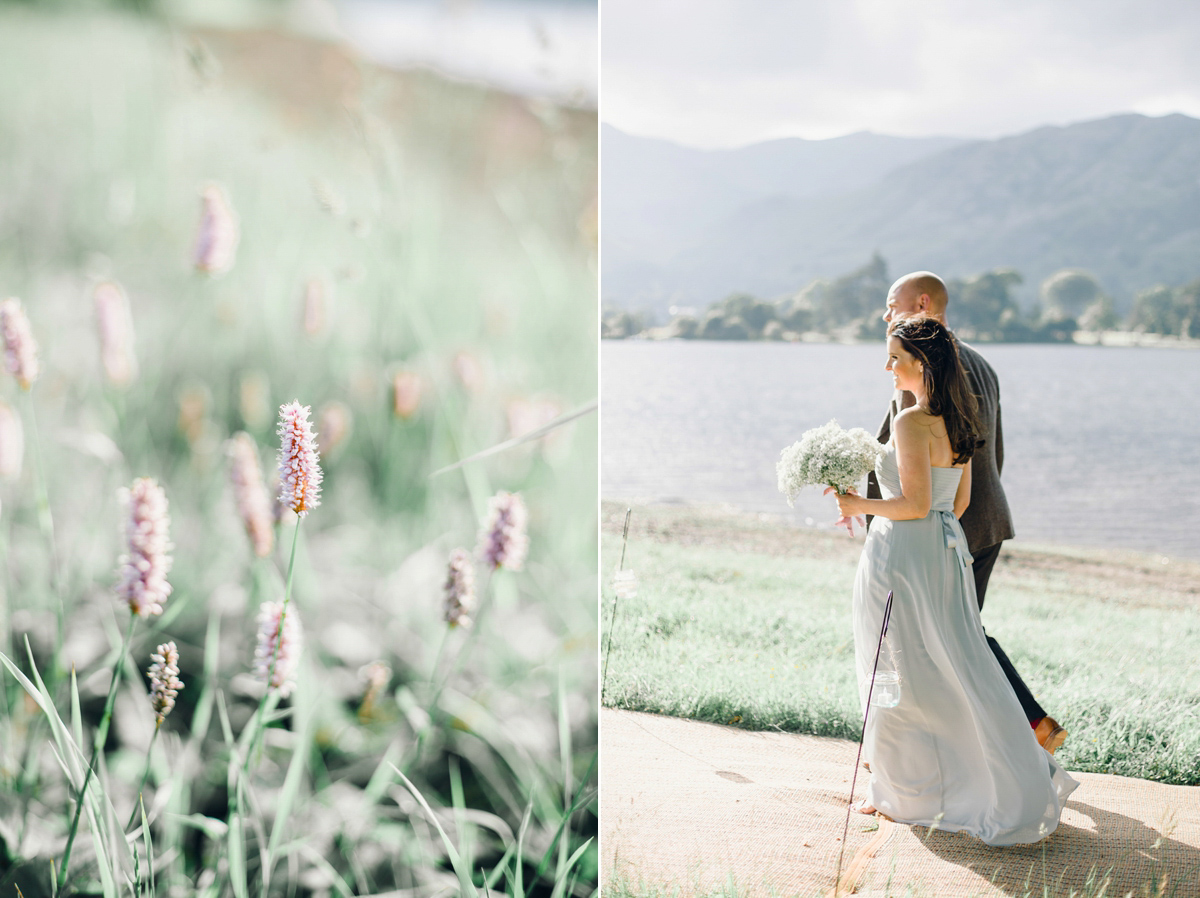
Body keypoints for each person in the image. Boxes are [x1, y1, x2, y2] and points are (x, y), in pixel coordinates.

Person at [833, 316, 1077, 845]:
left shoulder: (909, 421)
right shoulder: (959, 416)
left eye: (894, 356)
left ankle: (905, 791)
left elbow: (914, 504)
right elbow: (956, 503)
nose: (887, 365)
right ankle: (1004, 772)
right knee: (956, 661)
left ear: (920, 363)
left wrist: (859, 504)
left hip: (900, 554)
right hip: (944, 551)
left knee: (897, 664)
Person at [867, 272, 1067, 755]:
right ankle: (1021, 730)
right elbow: (988, 450)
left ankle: (1011, 735)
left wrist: (888, 515)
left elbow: (910, 450)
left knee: (949, 639)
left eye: (892, 306)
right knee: (958, 633)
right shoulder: (981, 363)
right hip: (981, 518)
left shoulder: (925, 365)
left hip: (947, 524)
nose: (886, 316)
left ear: (920, 302)